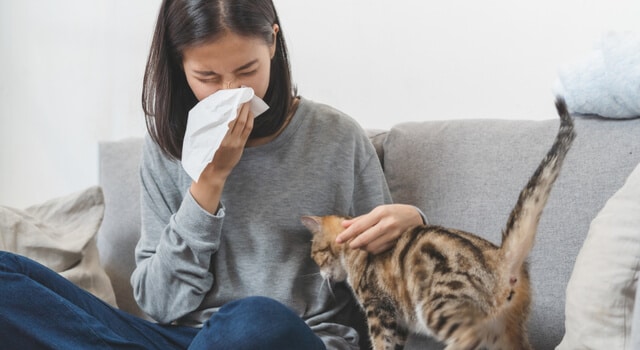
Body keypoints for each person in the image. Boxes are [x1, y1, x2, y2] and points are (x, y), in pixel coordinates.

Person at [0, 0, 424, 349]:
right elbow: (160, 305)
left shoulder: (337, 138)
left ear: (272, 43)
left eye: (246, 71)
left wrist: (412, 230)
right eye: (206, 76)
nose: (230, 92)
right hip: (181, 338)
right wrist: (207, 186)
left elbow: (387, 297)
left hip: (288, 337)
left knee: (252, 320)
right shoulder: (166, 149)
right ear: (179, 65)